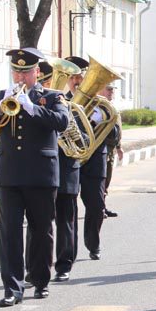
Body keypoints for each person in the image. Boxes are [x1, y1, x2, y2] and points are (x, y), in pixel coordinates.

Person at [0, 48, 68, 306]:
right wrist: (0, 106)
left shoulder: (51, 97)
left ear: (36, 72)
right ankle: (12, 288)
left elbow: (62, 122)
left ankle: (40, 281)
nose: (20, 76)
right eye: (17, 71)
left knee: (41, 229)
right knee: (10, 233)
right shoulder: (2, 96)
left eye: (26, 72)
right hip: (9, 175)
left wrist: (30, 107)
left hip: (41, 174)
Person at [68, 56, 113, 262]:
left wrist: (101, 120)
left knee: (96, 206)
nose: (77, 80)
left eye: (80, 76)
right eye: (72, 77)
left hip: (94, 161)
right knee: (67, 210)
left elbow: (114, 136)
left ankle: (93, 243)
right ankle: (68, 251)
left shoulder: (101, 104)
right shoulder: (59, 100)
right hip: (68, 162)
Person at [51, 62, 87, 282]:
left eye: (76, 77)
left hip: (66, 168)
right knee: (41, 222)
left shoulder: (77, 106)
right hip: (44, 168)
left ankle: (64, 263)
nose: (73, 81)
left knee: (65, 218)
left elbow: (84, 139)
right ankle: (36, 266)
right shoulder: (47, 101)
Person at [100, 84, 123, 218]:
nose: (111, 92)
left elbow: (118, 129)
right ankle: (99, 208)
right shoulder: (99, 107)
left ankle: (103, 206)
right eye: (108, 89)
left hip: (111, 149)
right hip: (103, 148)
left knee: (107, 179)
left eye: (113, 90)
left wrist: (119, 147)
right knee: (101, 180)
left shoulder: (112, 107)